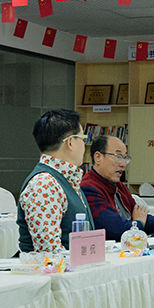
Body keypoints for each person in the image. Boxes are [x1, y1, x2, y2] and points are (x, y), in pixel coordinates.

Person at [80, 135, 154, 241]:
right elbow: (115, 229)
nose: (123, 164)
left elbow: (139, 215)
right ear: (98, 157)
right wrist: (139, 223)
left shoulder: (119, 186)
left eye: (125, 158)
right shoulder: (88, 188)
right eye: (118, 157)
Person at [17, 109, 94, 254]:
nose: (84, 146)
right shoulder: (44, 184)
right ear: (70, 142)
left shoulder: (67, 179)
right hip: (54, 268)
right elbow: (49, 251)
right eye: (83, 139)